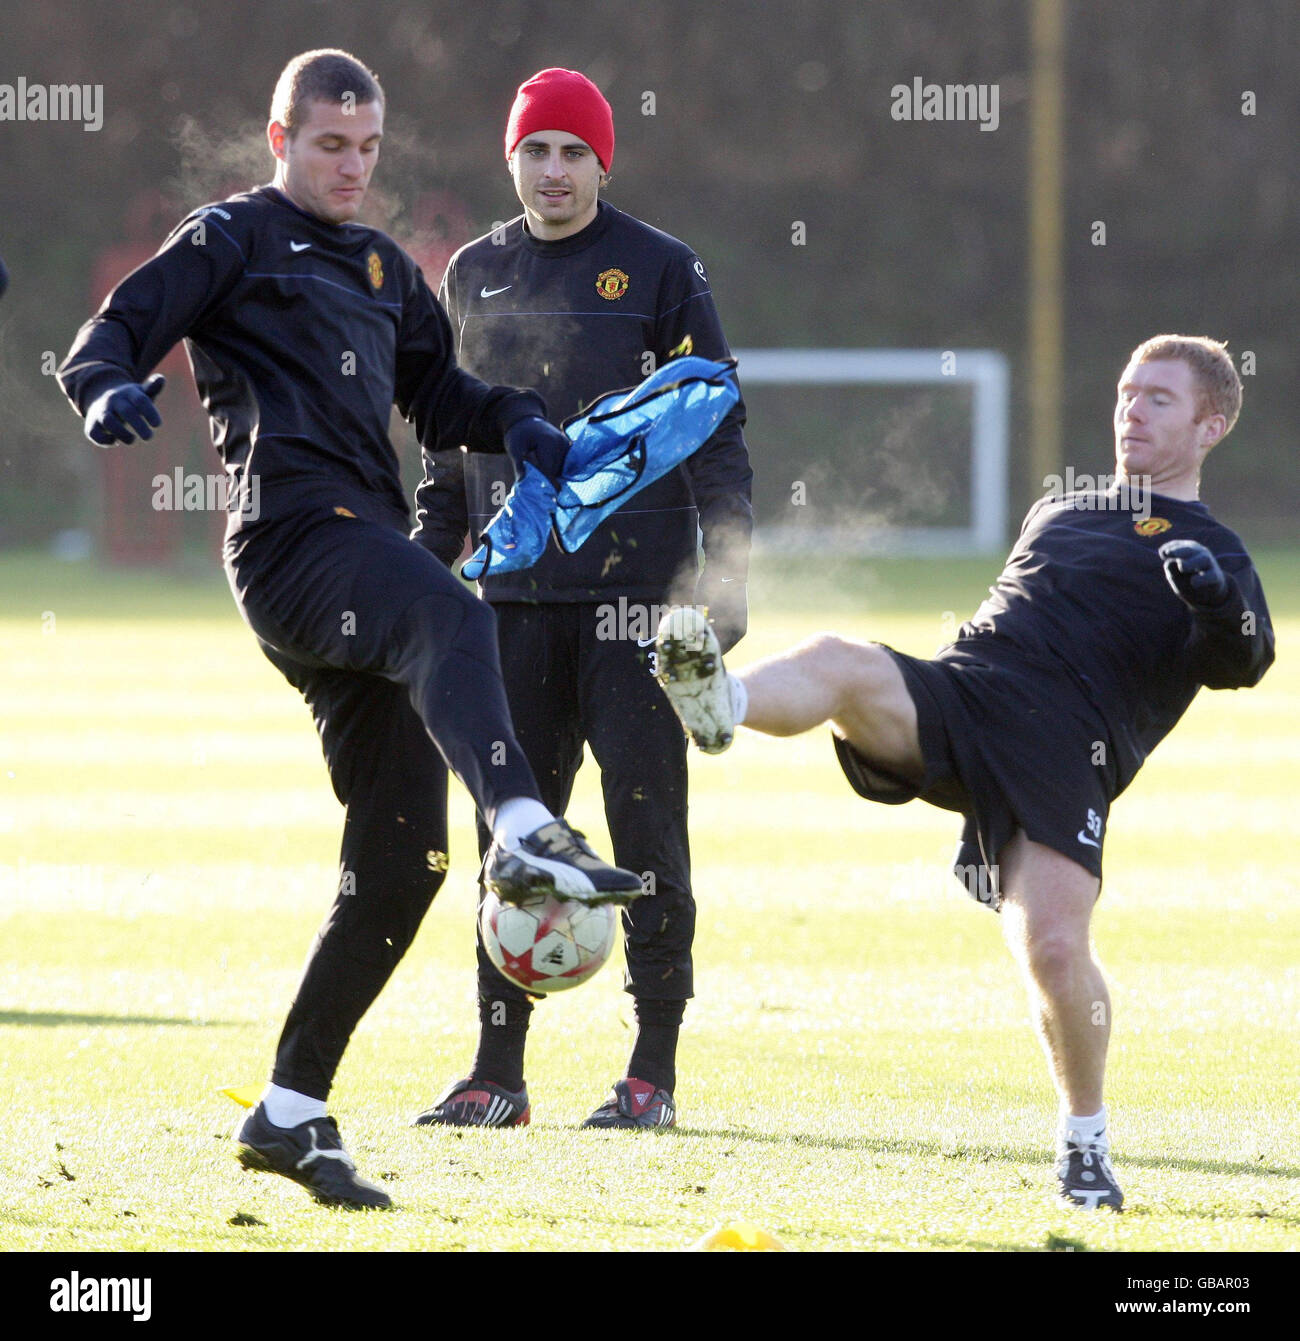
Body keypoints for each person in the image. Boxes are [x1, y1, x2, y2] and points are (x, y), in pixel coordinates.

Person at [56, 49, 643, 1210]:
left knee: (402, 864)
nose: (351, 166)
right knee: (447, 609)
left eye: (367, 147)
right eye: (330, 145)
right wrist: (104, 392)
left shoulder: (380, 266)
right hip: (288, 544)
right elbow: (109, 335)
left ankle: (289, 1109)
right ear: (280, 140)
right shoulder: (228, 237)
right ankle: (524, 821)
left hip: (359, 549)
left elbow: (441, 395)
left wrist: (519, 422)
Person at [653, 335, 1273, 1208]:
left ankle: (1085, 1145)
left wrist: (1215, 600)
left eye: (1159, 399)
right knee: (842, 659)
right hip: (968, 694)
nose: (1132, 409)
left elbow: (1242, 660)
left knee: (1053, 949)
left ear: (1211, 425)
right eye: (1128, 392)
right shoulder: (1060, 511)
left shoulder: (1217, 548)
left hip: (1066, 752)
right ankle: (723, 702)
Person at [412, 68, 752, 1131]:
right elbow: (443, 447)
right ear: (509, 158)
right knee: (511, 839)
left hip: (635, 610)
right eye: (535, 151)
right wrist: (426, 570)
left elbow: (714, 428)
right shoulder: (470, 272)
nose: (553, 171)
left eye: (572, 152)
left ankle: (649, 1072)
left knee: (646, 832)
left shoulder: (659, 270)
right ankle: (495, 1073)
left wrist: (724, 574)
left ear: (604, 160)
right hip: (507, 606)